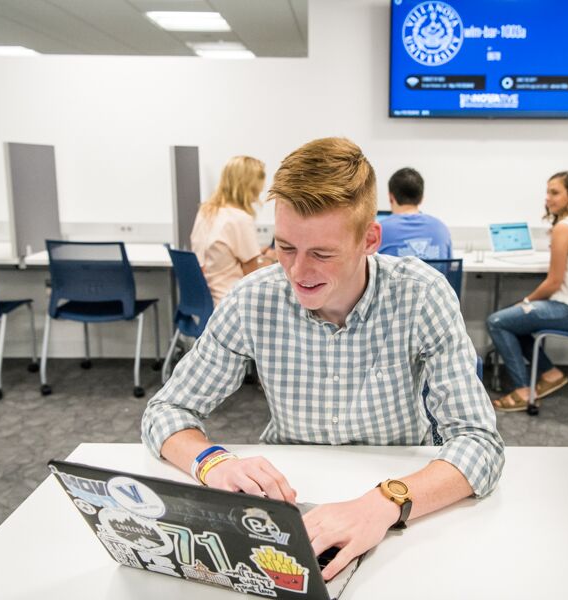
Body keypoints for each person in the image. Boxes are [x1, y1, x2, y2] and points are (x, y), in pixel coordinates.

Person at [142, 137, 504, 582]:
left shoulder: (420, 295)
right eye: (286, 247)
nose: (296, 272)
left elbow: (480, 443)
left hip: (403, 493)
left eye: (322, 254)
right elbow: (165, 411)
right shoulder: (254, 298)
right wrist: (215, 462)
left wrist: (384, 503)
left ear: (370, 239)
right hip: (291, 497)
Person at [486, 171, 568, 412]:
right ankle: (551, 373)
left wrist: (524, 301)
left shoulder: (564, 227)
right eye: (547, 192)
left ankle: (523, 390)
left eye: (554, 192)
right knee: (516, 319)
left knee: (499, 321)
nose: (548, 198)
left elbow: (554, 283)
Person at [190, 155, 275, 305]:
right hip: (228, 303)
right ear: (249, 186)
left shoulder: (206, 211)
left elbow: (219, 256)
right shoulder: (239, 218)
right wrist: (272, 259)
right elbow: (253, 276)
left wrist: (258, 254)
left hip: (203, 302)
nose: (259, 193)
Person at [378, 167, 452, 259]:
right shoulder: (441, 229)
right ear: (421, 198)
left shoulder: (379, 231)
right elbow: (449, 270)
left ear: (391, 197)